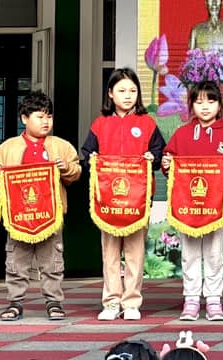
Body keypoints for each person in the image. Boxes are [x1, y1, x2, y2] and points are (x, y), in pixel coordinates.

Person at [0, 90, 81, 321]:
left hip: (51, 216)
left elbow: (76, 172)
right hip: (18, 217)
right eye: (40, 116)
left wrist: (66, 167)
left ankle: (54, 302)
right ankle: (15, 303)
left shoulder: (61, 146)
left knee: (52, 261)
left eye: (49, 116)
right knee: (16, 261)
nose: (46, 121)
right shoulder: (8, 147)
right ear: (24, 118)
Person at [81, 68, 166, 321]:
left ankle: (131, 303)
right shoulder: (100, 124)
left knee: (134, 253)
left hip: (138, 200)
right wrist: (92, 159)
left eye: (132, 90)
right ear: (110, 93)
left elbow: (159, 153)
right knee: (109, 254)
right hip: (108, 201)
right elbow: (87, 154)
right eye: (121, 90)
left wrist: (152, 157)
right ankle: (111, 302)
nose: (127, 96)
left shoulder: (147, 123)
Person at [163, 80, 223, 321]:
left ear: (220, 105)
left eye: (211, 101)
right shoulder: (182, 134)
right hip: (187, 208)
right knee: (189, 254)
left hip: (216, 208)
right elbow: (168, 163)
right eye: (199, 101)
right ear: (191, 105)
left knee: (214, 255)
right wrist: (167, 163)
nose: (205, 107)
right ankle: (191, 299)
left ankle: (214, 300)